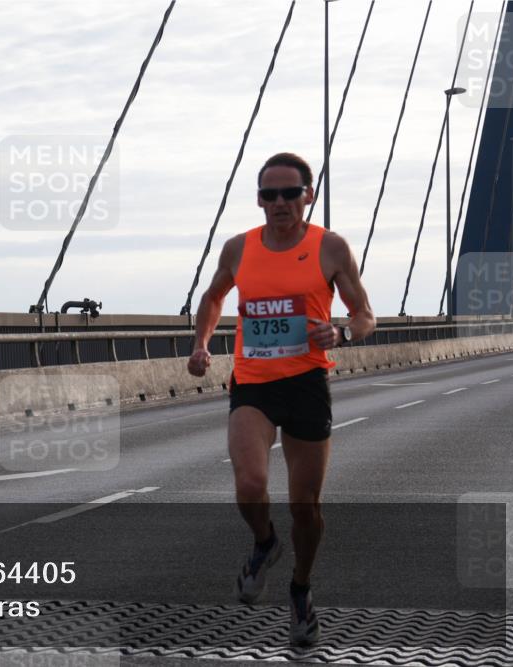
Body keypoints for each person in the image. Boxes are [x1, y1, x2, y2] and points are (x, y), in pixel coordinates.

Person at [186, 152, 375, 646]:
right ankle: (264, 543)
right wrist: (203, 344)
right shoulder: (239, 248)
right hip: (253, 384)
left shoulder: (330, 248)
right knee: (250, 484)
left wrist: (343, 333)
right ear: (259, 200)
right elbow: (213, 297)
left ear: (307, 196)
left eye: (290, 193)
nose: (280, 203)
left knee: (305, 507)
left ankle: (300, 590)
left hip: (308, 384)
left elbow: (365, 314)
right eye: (269, 195)